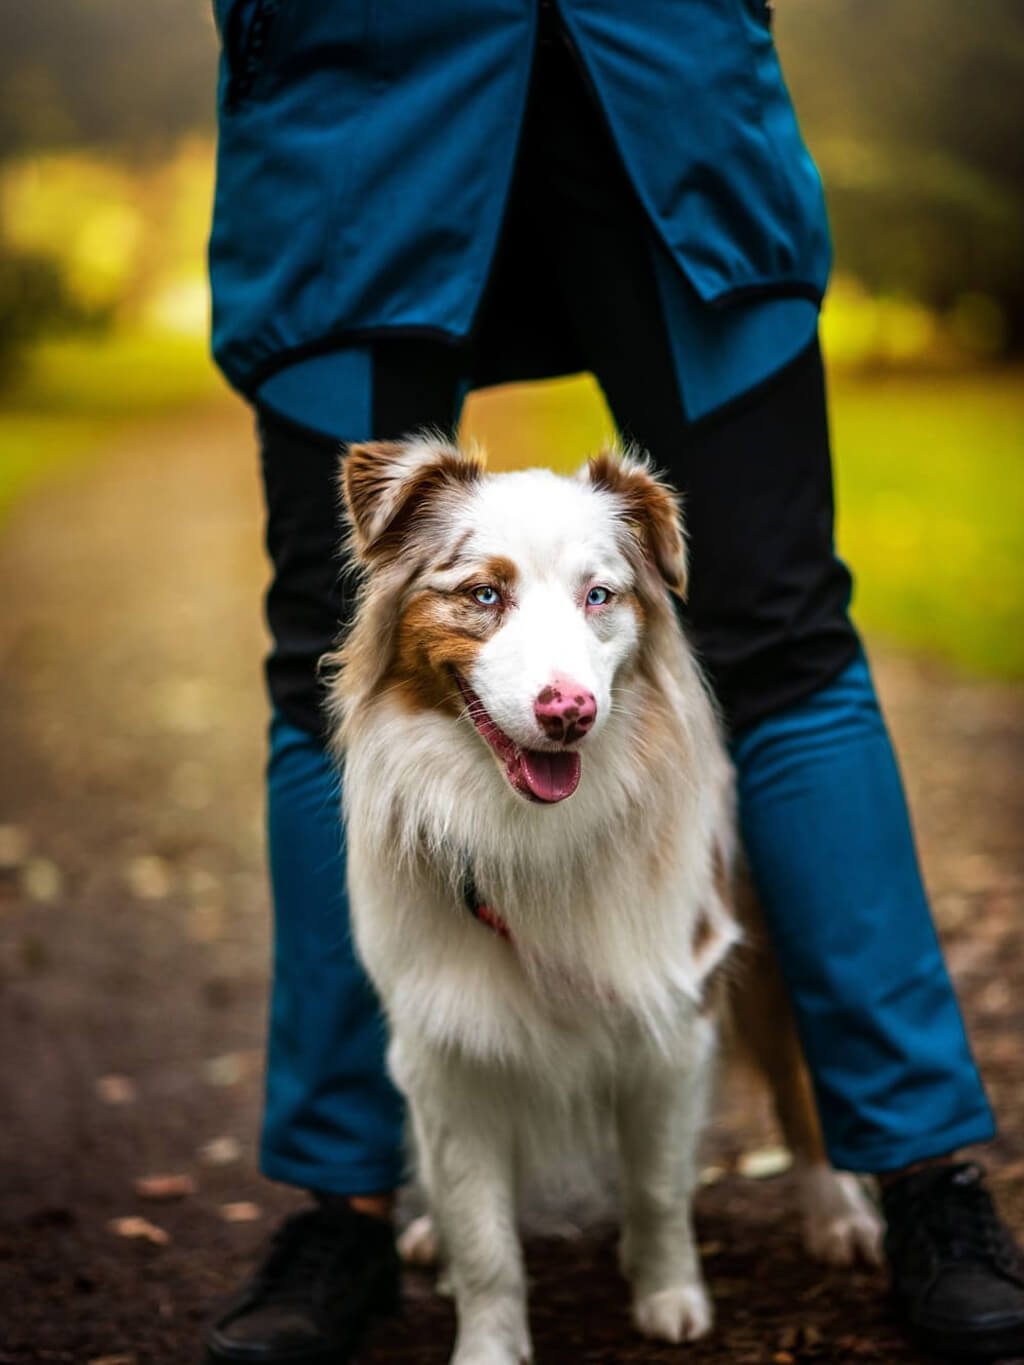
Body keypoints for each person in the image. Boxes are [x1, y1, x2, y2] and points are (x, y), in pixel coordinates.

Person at [203, 3, 1024, 1362]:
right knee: (323, 662)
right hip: (353, 82)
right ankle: (342, 1200)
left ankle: (925, 1169)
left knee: (781, 627)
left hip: (659, 77)